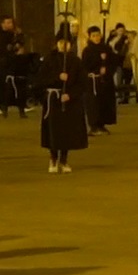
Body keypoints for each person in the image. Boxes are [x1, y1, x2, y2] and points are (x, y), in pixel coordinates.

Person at [39, 32, 89, 173]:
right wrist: (57, 77)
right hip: (53, 99)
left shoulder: (75, 61)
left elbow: (82, 83)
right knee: (54, 131)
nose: (63, 45)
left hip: (69, 101)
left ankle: (64, 159)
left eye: (66, 43)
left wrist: (70, 95)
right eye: (61, 42)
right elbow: (41, 80)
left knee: (67, 132)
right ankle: (53, 158)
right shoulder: (49, 59)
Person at [81, 26, 118, 135]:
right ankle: (94, 125)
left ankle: (102, 124)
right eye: (94, 36)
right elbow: (85, 66)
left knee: (104, 103)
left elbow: (113, 62)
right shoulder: (87, 50)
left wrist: (107, 68)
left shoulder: (106, 48)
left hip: (105, 81)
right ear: (90, 37)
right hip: (93, 81)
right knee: (94, 104)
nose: (96, 38)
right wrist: (98, 67)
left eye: (98, 35)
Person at [0, 17, 26, 118]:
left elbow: (20, 43)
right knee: (5, 87)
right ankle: (3, 108)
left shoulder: (14, 33)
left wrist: (18, 36)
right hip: (4, 64)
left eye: (11, 22)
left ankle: (21, 109)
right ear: (3, 24)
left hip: (14, 63)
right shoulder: (2, 34)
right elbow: (6, 47)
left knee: (19, 86)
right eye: (8, 23)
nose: (10, 24)